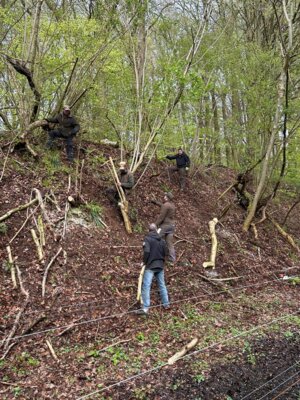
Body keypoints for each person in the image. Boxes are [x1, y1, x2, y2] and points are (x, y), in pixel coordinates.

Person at [137, 223, 169, 315]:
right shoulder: (162, 240)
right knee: (162, 285)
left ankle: (146, 308)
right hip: (160, 266)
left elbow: (146, 251)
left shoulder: (148, 239)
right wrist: (162, 261)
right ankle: (166, 304)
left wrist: (144, 262)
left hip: (150, 266)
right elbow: (166, 252)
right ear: (156, 230)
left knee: (146, 286)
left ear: (149, 230)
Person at [153, 192, 176, 262]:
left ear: (167, 198)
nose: (164, 197)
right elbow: (163, 206)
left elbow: (161, 217)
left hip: (165, 226)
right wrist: (156, 202)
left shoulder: (166, 205)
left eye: (165, 196)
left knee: (155, 237)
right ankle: (172, 258)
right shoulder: (172, 205)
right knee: (169, 242)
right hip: (172, 226)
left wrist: (155, 224)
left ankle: (154, 256)